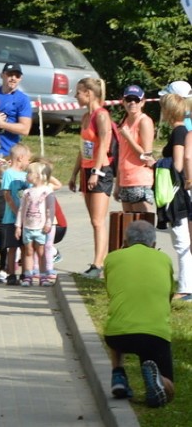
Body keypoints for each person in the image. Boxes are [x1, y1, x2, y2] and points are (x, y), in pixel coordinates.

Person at [104, 220, 175, 408]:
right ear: (154, 245)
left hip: (118, 336)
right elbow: (169, 296)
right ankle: (159, 379)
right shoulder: (165, 259)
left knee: (118, 318)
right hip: (155, 336)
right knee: (170, 391)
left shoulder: (112, 258)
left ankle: (118, 375)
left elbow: (111, 293)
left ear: (125, 242)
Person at [68, 77, 114, 279]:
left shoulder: (101, 115)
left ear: (88, 93)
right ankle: (97, 262)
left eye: (78, 92)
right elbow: (84, 148)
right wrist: (75, 173)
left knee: (98, 221)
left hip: (100, 169)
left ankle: (99, 264)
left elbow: (103, 144)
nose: (75, 96)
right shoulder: (86, 117)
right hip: (87, 169)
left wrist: (96, 171)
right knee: (93, 220)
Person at [156, 93, 192, 300]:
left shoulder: (179, 132)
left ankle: (185, 286)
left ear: (168, 111)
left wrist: (157, 163)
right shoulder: (181, 130)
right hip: (180, 189)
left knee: (181, 239)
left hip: (176, 191)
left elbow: (178, 164)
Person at [114, 84, 155, 213]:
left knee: (142, 227)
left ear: (142, 102)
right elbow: (122, 155)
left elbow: (146, 156)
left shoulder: (144, 121)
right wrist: (118, 184)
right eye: (129, 99)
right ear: (123, 101)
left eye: (136, 100)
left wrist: (129, 138)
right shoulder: (125, 122)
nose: (132, 103)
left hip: (140, 179)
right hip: (126, 180)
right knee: (129, 227)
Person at [15, 161, 56, 287]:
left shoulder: (47, 191)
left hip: (41, 228)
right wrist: (18, 226)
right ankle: (28, 276)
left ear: (38, 175)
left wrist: (48, 223)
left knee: (41, 252)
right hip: (28, 227)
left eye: (29, 172)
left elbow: (51, 209)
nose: (26, 175)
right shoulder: (27, 192)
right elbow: (21, 209)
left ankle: (43, 276)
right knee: (28, 252)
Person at [0, 143, 31, 284]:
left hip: (26, 219)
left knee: (25, 247)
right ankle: (11, 274)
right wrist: (16, 212)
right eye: (27, 159)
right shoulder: (8, 173)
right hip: (11, 219)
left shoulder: (27, 175)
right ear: (20, 158)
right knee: (12, 247)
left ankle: (25, 273)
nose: (28, 162)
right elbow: (7, 195)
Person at [0, 63, 32, 158]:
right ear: (2, 75)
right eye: (10, 74)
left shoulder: (23, 99)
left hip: (8, 152)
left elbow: (25, 129)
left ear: (21, 78)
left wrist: (1, 124)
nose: (13, 78)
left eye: (17, 76)